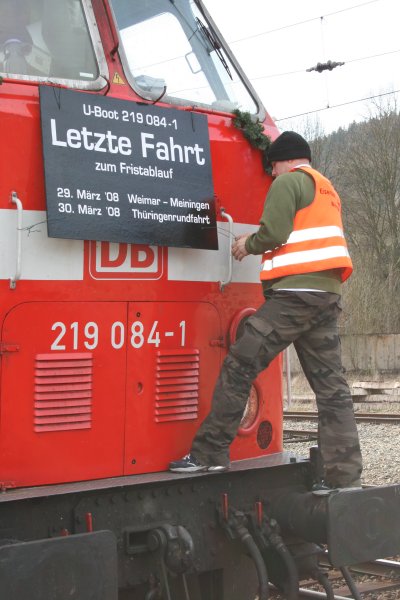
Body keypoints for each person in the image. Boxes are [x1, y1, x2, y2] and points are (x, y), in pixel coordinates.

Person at [169, 131, 362, 490]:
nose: (272, 173)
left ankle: (209, 455)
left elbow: (274, 232)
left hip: (293, 299)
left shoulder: (289, 182)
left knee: (240, 364)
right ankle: (344, 479)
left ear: (286, 160)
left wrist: (247, 244)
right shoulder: (327, 189)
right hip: (326, 298)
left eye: (273, 165)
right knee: (332, 390)